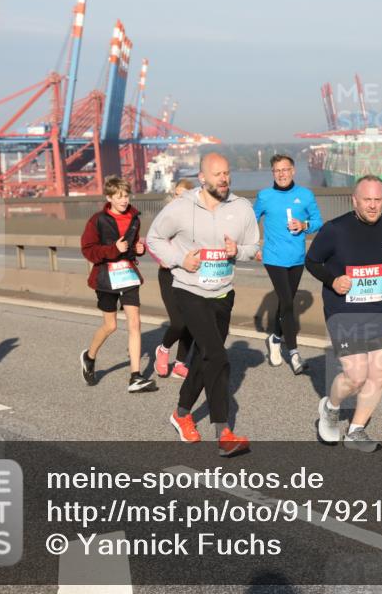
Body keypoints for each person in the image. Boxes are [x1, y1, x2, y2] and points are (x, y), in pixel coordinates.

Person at [147, 153, 260, 456]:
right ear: (202, 178)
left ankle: (181, 414)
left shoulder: (241, 208)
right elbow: (154, 238)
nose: (225, 179)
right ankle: (223, 432)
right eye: (218, 174)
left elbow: (253, 247)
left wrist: (238, 251)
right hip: (189, 291)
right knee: (218, 356)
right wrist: (178, 259)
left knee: (203, 358)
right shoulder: (181, 207)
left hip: (223, 294)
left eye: (227, 173)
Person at [305, 175, 382, 452]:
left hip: (377, 311)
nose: (372, 205)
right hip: (343, 310)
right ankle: (331, 408)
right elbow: (312, 261)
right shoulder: (335, 229)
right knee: (355, 376)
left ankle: (356, 430)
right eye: (366, 199)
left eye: (377, 199)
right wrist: (332, 280)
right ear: (354, 200)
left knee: (379, 374)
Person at [79, 176, 156, 393]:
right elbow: (88, 250)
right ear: (109, 197)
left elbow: (130, 247)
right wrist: (113, 249)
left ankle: (135, 376)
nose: (124, 200)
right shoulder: (97, 220)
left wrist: (137, 250)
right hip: (105, 278)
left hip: (128, 275)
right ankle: (89, 356)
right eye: (119, 197)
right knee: (111, 325)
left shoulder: (135, 218)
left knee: (135, 324)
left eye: (126, 196)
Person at [253, 154, 322, 374]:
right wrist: (254, 246)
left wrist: (304, 225)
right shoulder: (264, 196)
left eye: (285, 170)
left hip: (297, 258)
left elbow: (318, 222)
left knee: (286, 304)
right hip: (273, 258)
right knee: (288, 303)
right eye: (277, 170)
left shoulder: (305, 195)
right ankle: (294, 354)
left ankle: (274, 338)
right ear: (273, 173)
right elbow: (250, 222)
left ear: (293, 171)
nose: (282, 174)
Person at [152, 178, 195, 379]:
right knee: (178, 322)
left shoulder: (197, 217)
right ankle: (163, 349)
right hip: (169, 274)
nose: (178, 198)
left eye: (182, 195)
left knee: (193, 322)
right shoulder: (166, 215)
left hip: (190, 273)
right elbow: (152, 240)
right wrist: (161, 258)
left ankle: (180, 363)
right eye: (176, 194)